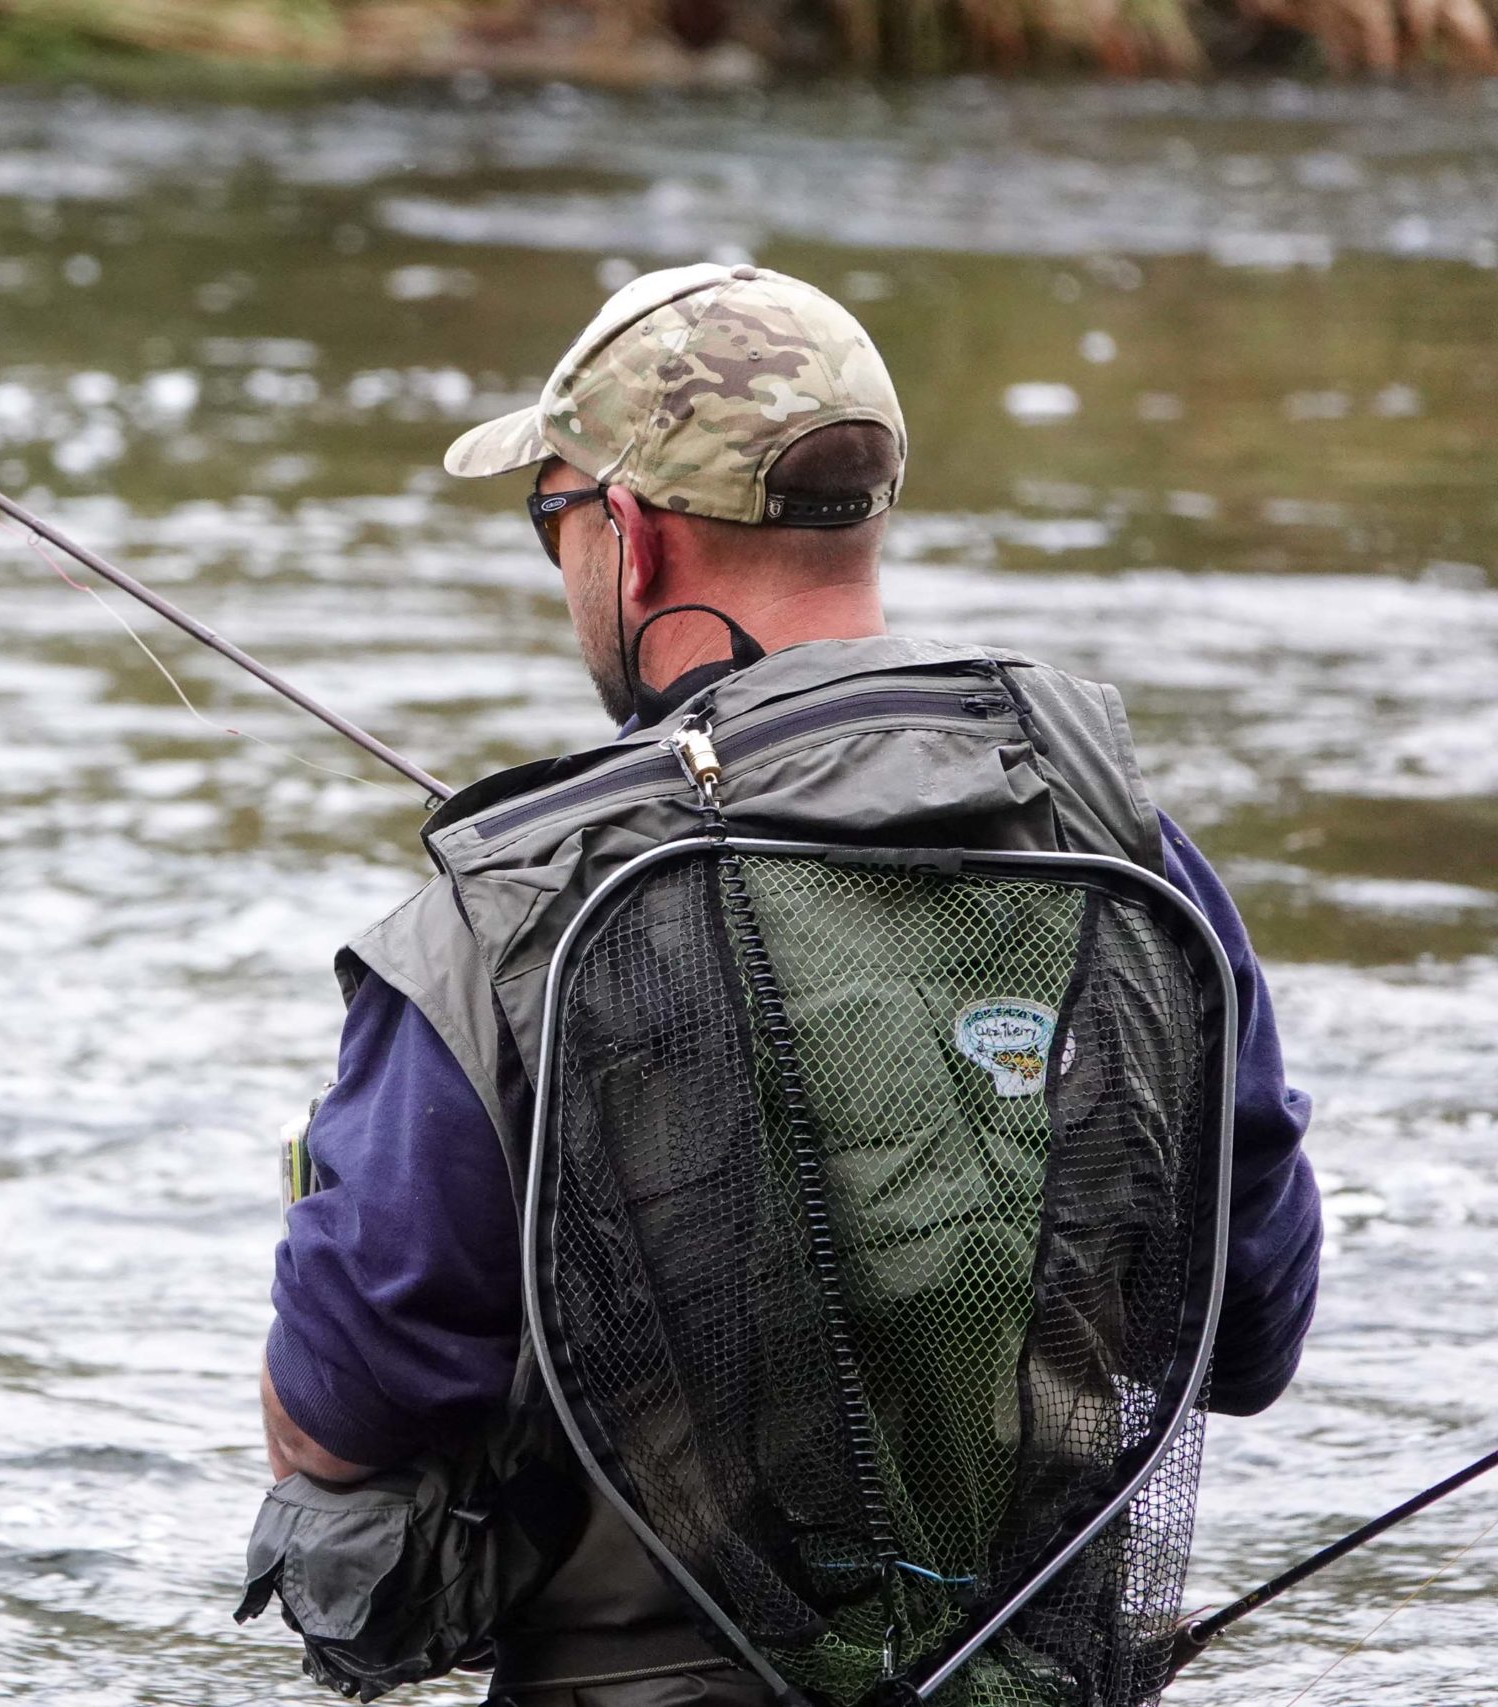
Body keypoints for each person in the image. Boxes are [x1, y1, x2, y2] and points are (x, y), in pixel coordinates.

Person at [259, 262, 1323, 1705]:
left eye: (551, 514)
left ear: (631, 538)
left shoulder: (503, 919)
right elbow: (1249, 1340)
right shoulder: (1131, 851)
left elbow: (342, 1425)